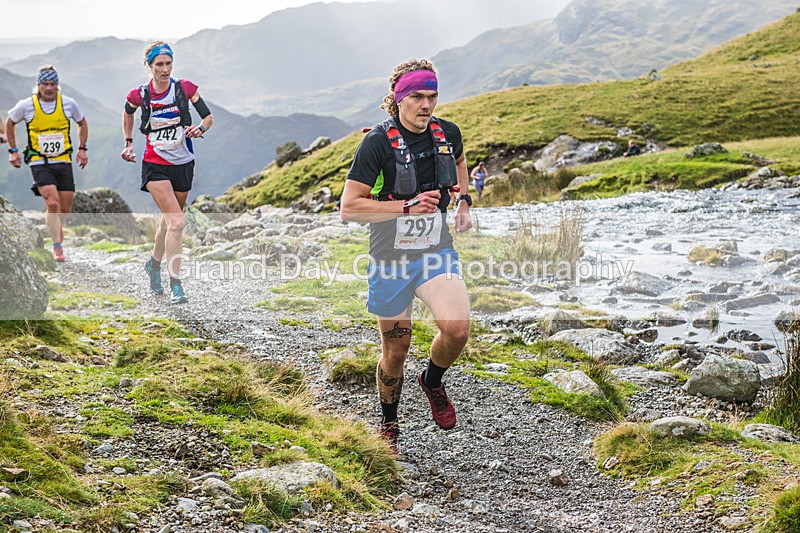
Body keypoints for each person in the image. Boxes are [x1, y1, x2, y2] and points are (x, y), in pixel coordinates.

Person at [340, 59, 472, 453]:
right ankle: (389, 422)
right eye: (417, 96)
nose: (426, 104)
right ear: (398, 99)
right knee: (396, 349)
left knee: (457, 329)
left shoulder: (447, 133)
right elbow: (349, 207)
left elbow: (460, 159)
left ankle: (432, 380)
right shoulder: (377, 143)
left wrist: (463, 200)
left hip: (436, 251)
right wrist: (407, 207)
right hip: (390, 259)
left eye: (432, 96)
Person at [121, 41, 213, 304]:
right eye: (159, 64)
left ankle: (153, 264)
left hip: (183, 163)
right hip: (155, 164)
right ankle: (176, 285)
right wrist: (128, 143)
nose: (164, 69)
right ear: (149, 66)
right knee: (177, 223)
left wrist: (201, 129)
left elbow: (208, 117)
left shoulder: (184, 88)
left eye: (168, 63)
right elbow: (127, 112)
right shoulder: (140, 95)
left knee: (168, 221)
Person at [5, 65, 89, 262]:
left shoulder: (68, 103)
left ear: (57, 85)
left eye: (53, 84)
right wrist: (14, 151)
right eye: (45, 84)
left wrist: (82, 148)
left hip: (63, 160)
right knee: (53, 204)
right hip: (39, 161)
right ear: (38, 85)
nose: (49, 88)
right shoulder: (27, 105)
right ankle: (57, 246)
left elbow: (82, 123)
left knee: (65, 208)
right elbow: (10, 122)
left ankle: (55, 227)